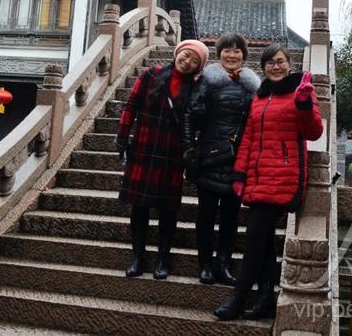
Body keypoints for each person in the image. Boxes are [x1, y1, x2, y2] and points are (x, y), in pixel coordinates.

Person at [214, 43, 323, 320]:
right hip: (258, 178)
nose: (276, 66)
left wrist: (304, 103)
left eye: (280, 61)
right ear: (263, 67)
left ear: (289, 64)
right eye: (270, 62)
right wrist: (240, 175)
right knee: (264, 242)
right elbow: (248, 139)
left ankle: (238, 299)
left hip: (283, 178)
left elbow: (313, 132)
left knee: (254, 238)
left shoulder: (300, 91)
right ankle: (265, 299)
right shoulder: (260, 96)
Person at [116, 38, 209, 280]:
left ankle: (162, 259)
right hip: (144, 147)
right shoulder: (151, 74)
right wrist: (122, 137)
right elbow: (130, 106)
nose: (187, 61)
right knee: (139, 206)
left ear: (198, 68)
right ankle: (138, 257)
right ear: (178, 53)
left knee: (168, 210)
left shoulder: (196, 88)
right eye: (186, 55)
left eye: (195, 61)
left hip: (172, 154)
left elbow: (197, 122)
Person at [182, 32, 260, 286]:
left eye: (237, 51)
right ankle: (205, 264)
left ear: (244, 56)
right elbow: (190, 115)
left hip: (238, 159)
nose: (231, 55)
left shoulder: (252, 85)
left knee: (230, 216)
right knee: (205, 215)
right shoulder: (207, 80)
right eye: (227, 50)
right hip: (209, 157)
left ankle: (224, 264)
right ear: (219, 54)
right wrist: (189, 148)